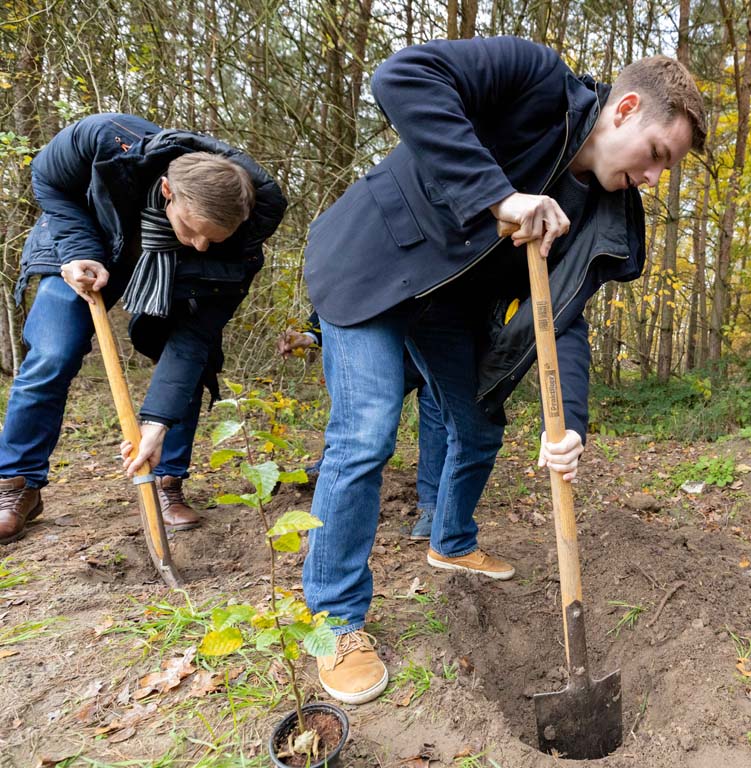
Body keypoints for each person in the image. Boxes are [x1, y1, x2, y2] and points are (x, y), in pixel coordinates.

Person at [302, 37, 706, 705]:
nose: (657, 178)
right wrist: (499, 195)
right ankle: (330, 629)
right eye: (658, 155)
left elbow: (565, 320)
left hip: (448, 308)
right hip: (371, 263)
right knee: (365, 435)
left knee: (479, 425)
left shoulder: (604, 213)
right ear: (626, 109)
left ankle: (451, 540)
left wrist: (569, 426)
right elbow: (402, 77)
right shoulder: (537, 82)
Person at [0, 114, 287, 544]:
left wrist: (155, 422)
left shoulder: (236, 250)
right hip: (85, 244)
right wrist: (79, 251)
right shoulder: (106, 140)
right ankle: (16, 484)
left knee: (191, 363)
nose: (202, 244)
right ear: (168, 191)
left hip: (177, 273)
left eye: (216, 237)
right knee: (53, 353)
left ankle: (167, 481)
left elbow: (190, 340)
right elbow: (50, 180)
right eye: (193, 229)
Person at [277, 311, 447, 539]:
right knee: (359, 410)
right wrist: (311, 332)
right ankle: (331, 471)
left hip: (438, 335)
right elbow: (345, 288)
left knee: (437, 408)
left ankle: (433, 507)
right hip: (380, 342)